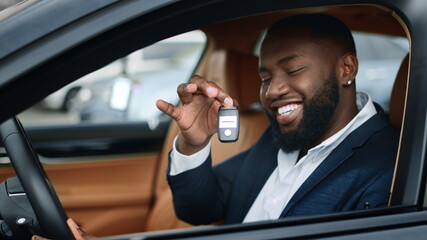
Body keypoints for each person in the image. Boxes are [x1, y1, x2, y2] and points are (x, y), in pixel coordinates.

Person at [155, 14, 399, 225]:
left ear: (347, 68)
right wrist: (193, 145)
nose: (271, 91)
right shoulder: (280, 138)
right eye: (265, 79)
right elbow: (198, 209)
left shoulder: (390, 166)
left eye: (293, 70)